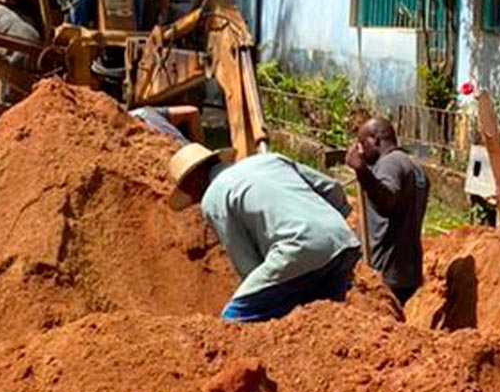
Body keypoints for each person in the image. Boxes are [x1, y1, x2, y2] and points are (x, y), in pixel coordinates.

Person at [166, 145, 362, 322]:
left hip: (298, 249)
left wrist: (260, 288)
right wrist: (329, 229)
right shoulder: (270, 159)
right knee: (326, 320)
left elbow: (245, 260)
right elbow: (332, 188)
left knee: (233, 319)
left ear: (193, 180)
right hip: (343, 240)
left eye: (188, 191)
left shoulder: (212, 197)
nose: (193, 198)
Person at [345, 118, 429, 306]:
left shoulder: (390, 163)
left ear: (375, 140)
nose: (360, 150)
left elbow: (387, 200)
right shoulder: (416, 168)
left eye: (361, 143)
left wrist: (362, 170)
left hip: (384, 271)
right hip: (407, 271)